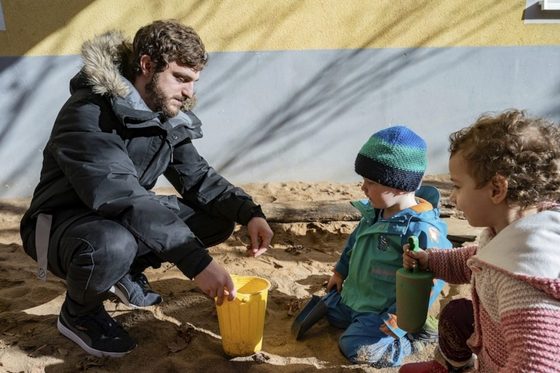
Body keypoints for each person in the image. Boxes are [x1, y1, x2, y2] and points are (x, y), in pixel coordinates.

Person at [19, 20, 273, 358]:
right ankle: (79, 315)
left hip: (117, 215)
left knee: (216, 218)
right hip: (60, 226)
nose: (189, 93)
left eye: (194, 82)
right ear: (146, 65)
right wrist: (197, 264)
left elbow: (197, 177)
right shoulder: (88, 114)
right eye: (181, 78)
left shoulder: (162, 115)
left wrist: (250, 213)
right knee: (112, 243)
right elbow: (120, 193)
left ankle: (124, 272)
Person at [399, 109, 560, 373]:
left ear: (496, 189)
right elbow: (479, 259)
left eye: (458, 187)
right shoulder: (512, 233)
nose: (453, 198)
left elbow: (538, 363)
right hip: (493, 340)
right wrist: (431, 260)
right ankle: (455, 367)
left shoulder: (521, 281)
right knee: (457, 315)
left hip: (504, 363)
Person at [294, 126, 452, 368]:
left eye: (370, 182)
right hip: (357, 295)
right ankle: (351, 311)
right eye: (363, 180)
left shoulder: (420, 228)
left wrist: (403, 317)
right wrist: (340, 272)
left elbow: (432, 279)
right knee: (329, 308)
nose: (363, 188)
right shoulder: (374, 212)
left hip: (384, 309)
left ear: (398, 184)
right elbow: (354, 243)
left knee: (356, 348)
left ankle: (414, 339)